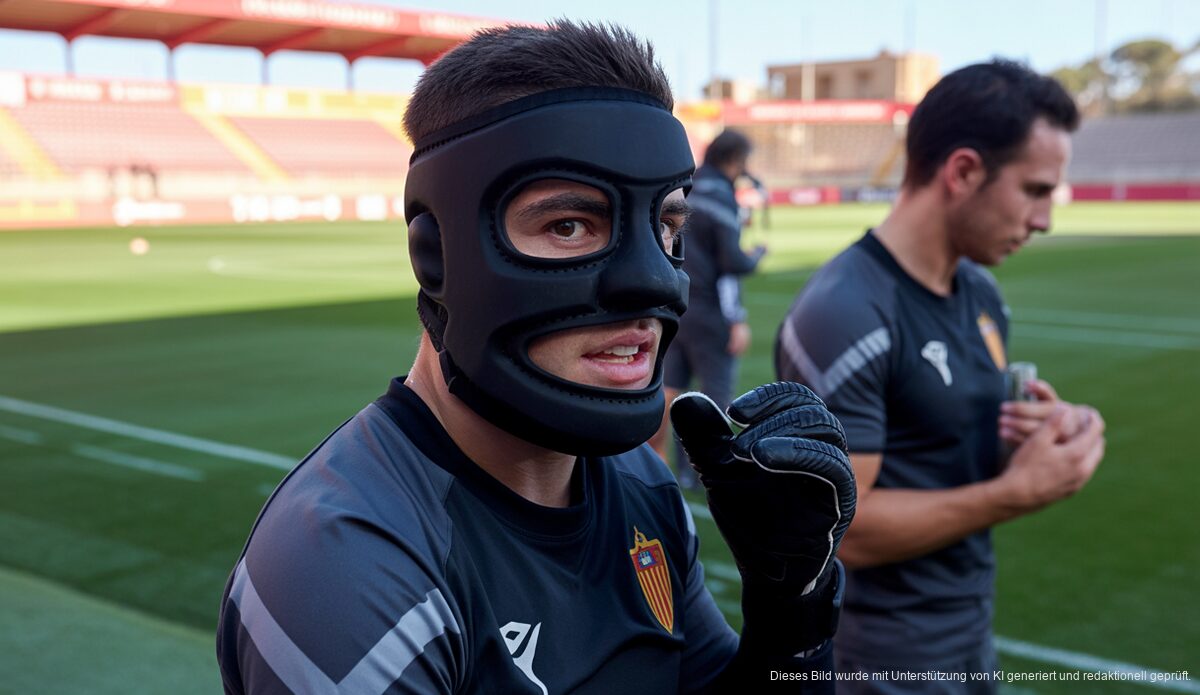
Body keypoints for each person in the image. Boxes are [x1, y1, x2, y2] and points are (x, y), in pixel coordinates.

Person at [217, 21, 856, 694]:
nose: (654, 282)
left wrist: (793, 616)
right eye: (570, 225)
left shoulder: (640, 483)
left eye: (666, 227)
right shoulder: (349, 567)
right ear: (436, 255)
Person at [774, 60, 1107, 692]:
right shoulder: (847, 312)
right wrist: (1015, 493)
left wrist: (1043, 432)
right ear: (962, 172)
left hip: (968, 634)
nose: (1044, 221)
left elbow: (942, 441)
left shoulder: (980, 292)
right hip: (879, 659)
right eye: (1035, 191)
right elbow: (842, 533)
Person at [650, 129, 767, 485]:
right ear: (736, 159)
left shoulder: (687, 187)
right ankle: (710, 472)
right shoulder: (722, 195)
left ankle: (671, 471)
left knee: (670, 391)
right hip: (711, 310)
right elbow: (731, 264)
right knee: (716, 395)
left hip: (675, 302)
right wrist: (756, 256)